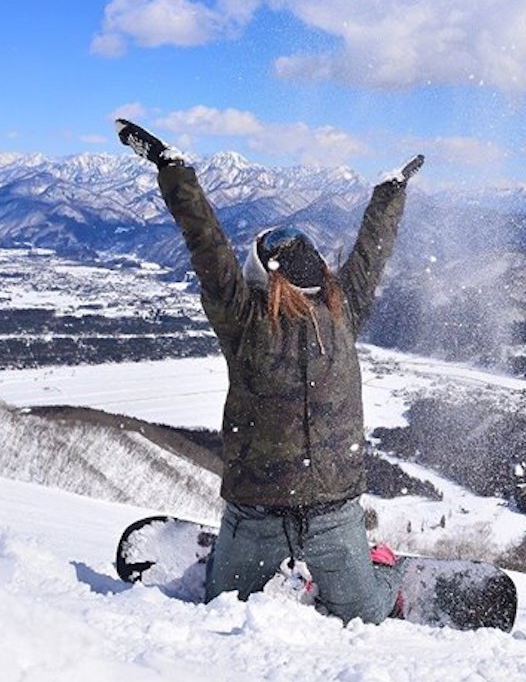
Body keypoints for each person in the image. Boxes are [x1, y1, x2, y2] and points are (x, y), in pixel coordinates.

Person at [117, 118, 423, 624]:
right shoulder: (258, 322)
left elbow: (208, 243)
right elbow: (370, 248)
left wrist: (173, 170)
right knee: (231, 606)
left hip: (330, 511)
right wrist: (389, 191)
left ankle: (379, 565)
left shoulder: (331, 314)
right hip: (260, 510)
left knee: (367, 611)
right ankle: (265, 562)